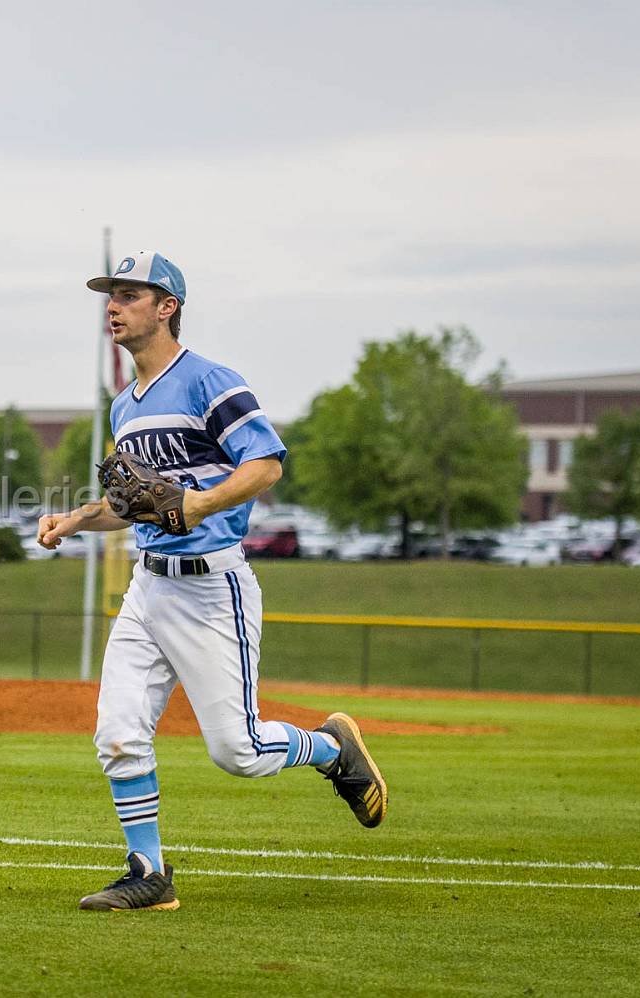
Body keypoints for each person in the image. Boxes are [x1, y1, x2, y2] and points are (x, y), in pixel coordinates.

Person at [37, 250, 387, 912]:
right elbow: (135, 504)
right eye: (110, 295)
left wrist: (195, 505)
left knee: (241, 751)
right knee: (116, 731)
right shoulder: (123, 408)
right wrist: (74, 520)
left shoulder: (210, 382)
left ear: (167, 306)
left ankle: (332, 747)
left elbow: (266, 465)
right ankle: (150, 873)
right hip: (148, 588)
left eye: (130, 294)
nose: (113, 305)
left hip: (209, 588)